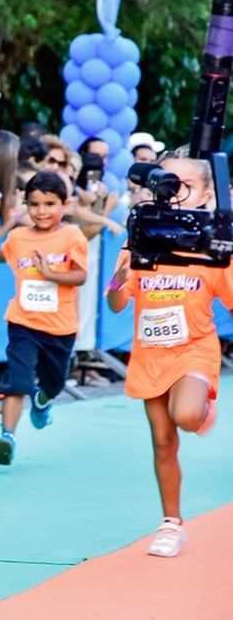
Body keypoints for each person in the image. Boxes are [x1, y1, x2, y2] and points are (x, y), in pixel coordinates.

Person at [106, 150, 228, 557]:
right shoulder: (140, 236)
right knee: (162, 441)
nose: (174, 194)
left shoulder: (210, 245)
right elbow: (117, 303)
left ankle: (202, 409)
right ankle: (171, 523)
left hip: (194, 348)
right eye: (166, 184)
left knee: (187, 416)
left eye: (185, 186)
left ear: (207, 193)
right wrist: (121, 277)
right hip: (149, 353)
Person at [0, 171, 88, 465]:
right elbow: (4, 254)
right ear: (26, 204)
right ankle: (7, 436)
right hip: (22, 322)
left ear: (64, 204)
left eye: (50, 204)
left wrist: (50, 273)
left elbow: (80, 275)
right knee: (19, 378)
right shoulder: (18, 237)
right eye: (35, 204)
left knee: (53, 383)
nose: (42, 211)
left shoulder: (71, 236)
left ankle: (42, 401)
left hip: (60, 327)